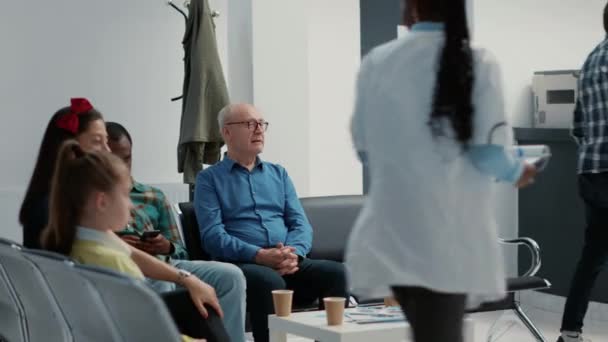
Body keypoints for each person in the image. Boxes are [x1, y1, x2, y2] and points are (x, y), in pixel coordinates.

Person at [345, 0, 537, 341]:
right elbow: (489, 153)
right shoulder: (478, 62)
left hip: (391, 231)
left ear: (413, 7)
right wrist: (518, 171)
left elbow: (363, 148)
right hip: (447, 234)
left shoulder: (377, 62)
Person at [41, 140, 228, 342]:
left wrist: (187, 279)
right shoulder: (114, 262)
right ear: (102, 202)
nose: (130, 205)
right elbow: (147, 333)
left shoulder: (73, 241)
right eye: (124, 195)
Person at [194, 103, 349, 342]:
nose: (259, 130)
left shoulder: (279, 174)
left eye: (261, 124)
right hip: (242, 264)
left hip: (288, 260)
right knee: (270, 281)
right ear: (227, 132)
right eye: (249, 124)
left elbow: (300, 223)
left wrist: (293, 254)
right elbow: (213, 236)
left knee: (339, 273)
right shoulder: (208, 179)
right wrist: (259, 255)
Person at [105, 121, 247, 342]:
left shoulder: (154, 196)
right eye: (114, 159)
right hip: (128, 268)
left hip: (168, 262)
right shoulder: (94, 200)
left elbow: (181, 252)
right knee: (161, 281)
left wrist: (166, 246)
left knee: (231, 275)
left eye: (127, 158)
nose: (122, 165)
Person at [558, 3, 608, 342]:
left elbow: (577, 126)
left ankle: (569, 334)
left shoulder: (592, 59)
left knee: (592, 257)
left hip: (591, 172)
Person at [20, 98, 111, 249]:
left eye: (106, 141)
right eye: (97, 141)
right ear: (69, 148)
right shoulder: (51, 207)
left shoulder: (79, 195)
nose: (107, 150)